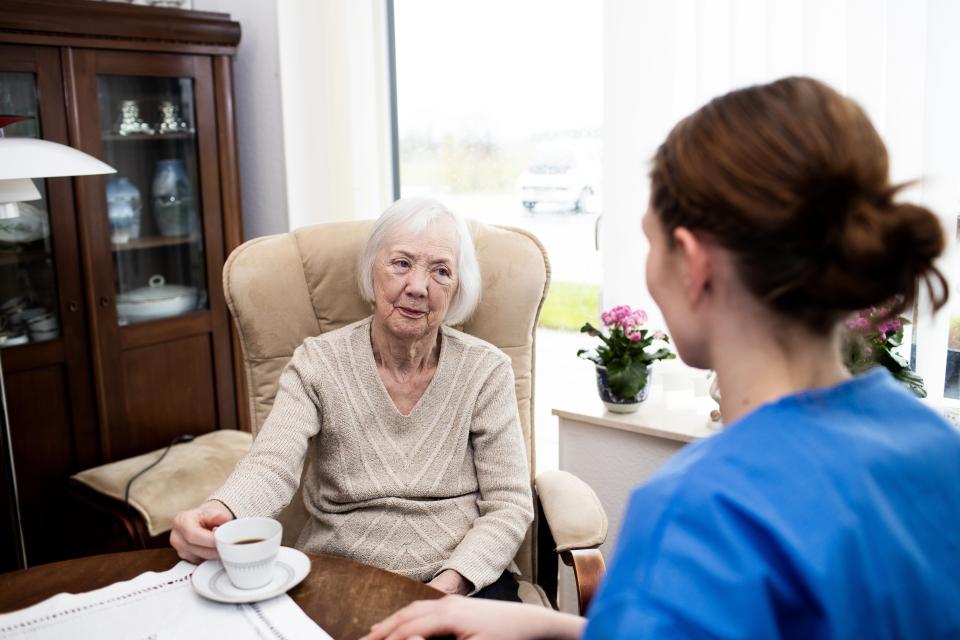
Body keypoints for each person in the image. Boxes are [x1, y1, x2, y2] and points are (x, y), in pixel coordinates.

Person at [361, 77, 960, 639]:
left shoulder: (703, 513)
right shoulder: (931, 445)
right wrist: (548, 625)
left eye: (649, 242)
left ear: (694, 264)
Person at [170, 197, 534, 601]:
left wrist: (447, 588)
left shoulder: (487, 371)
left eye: (441, 271)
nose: (417, 287)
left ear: (457, 288)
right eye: (401, 263)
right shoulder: (317, 362)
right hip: (341, 574)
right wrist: (221, 511)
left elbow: (509, 504)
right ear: (371, 270)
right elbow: (271, 464)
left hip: (461, 579)